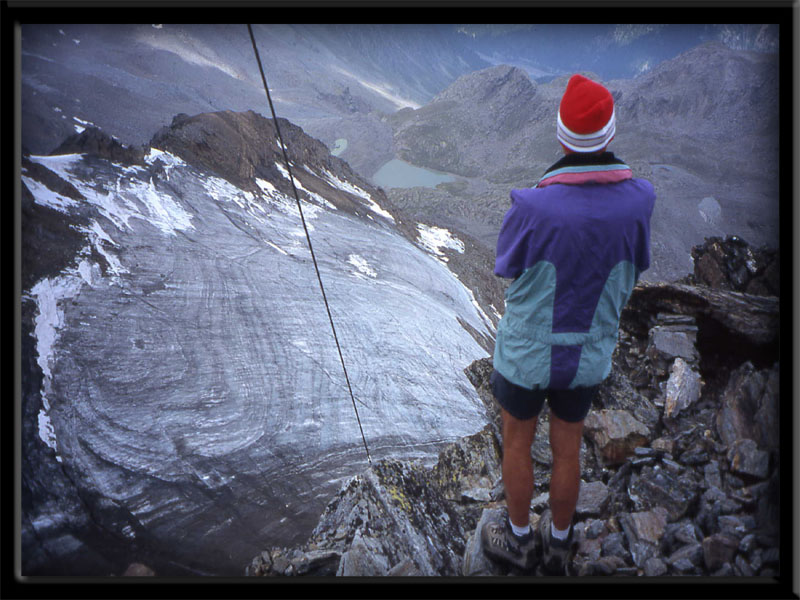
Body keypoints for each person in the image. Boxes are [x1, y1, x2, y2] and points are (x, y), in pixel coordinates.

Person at [481, 73, 655, 574]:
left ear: (562, 136)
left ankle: (517, 539)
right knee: (568, 449)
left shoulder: (533, 205)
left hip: (528, 351)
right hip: (589, 353)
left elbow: (508, 264)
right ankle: (559, 543)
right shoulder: (640, 200)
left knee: (516, 442)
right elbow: (638, 260)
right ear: (610, 134)